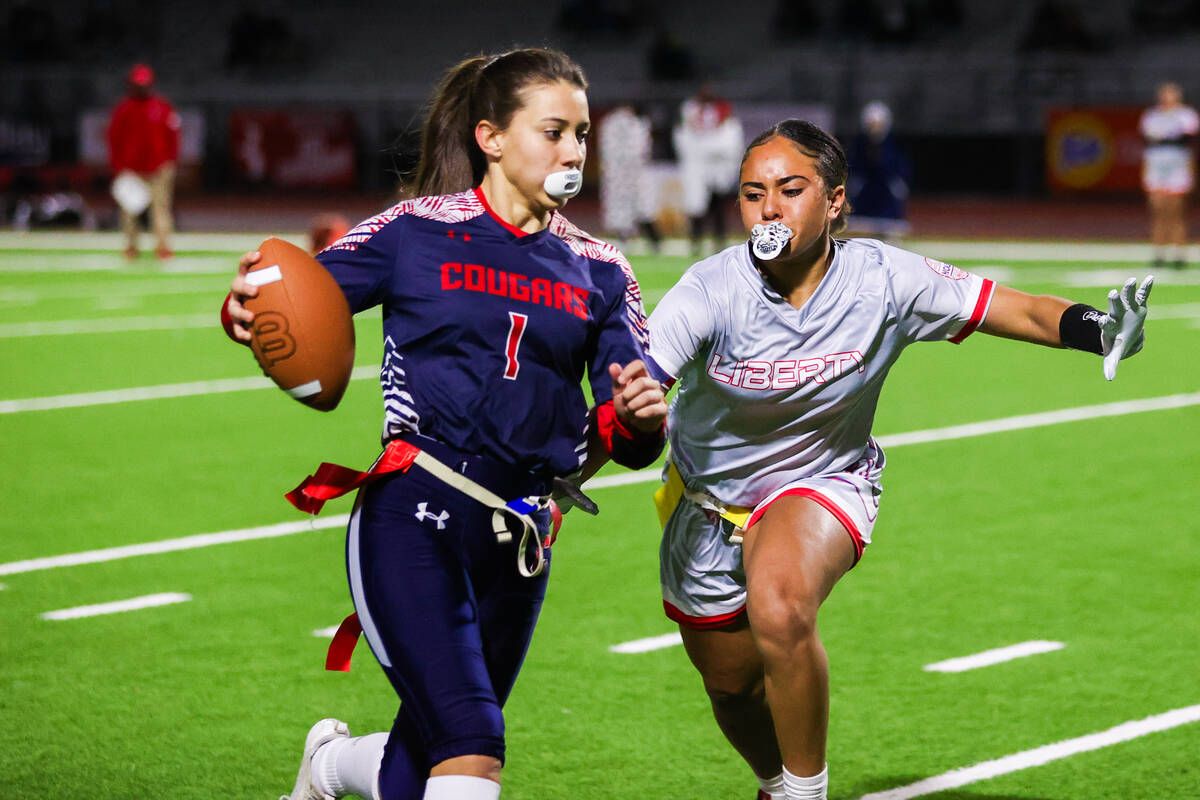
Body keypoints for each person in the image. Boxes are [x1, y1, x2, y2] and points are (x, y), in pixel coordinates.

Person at [646, 119, 1152, 800]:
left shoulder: (888, 278)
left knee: (781, 601)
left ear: (835, 201)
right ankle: (775, 783)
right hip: (704, 507)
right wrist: (557, 477)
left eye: (790, 189)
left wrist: (1098, 329)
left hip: (823, 480)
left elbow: (1021, 308)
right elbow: (637, 389)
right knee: (732, 687)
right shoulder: (709, 289)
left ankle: (805, 793)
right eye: (751, 192)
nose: (768, 208)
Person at [222, 48, 668, 800]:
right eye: (553, 130)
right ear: (491, 137)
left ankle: (328, 769)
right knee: (471, 749)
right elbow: (297, 301)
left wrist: (638, 416)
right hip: (413, 514)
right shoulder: (414, 231)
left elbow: (633, 430)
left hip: (521, 543)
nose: (573, 151)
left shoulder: (603, 269)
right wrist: (247, 308)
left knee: (413, 773)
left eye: (582, 134)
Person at [107, 62, 180, 260]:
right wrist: (119, 167)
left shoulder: (162, 107)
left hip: (158, 167)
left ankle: (163, 246)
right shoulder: (123, 109)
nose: (141, 87)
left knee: (161, 209)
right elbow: (114, 138)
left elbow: (173, 135)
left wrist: (170, 162)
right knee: (129, 211)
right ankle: (131, 246)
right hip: (132, 170)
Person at [673, 83, 744, 254]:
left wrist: (714, 149)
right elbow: (683, 134)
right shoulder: (690, 109)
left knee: (717, 205)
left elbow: (730, 136)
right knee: (695, 205)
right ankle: (696, 240)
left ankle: (719, 240)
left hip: (716, 164)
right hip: (697, 163)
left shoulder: (722, 110)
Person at [1140, 81, 1198, 269]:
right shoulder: (1151, 116)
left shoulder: (1186, 115)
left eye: (1172, 93)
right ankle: (1158, 253)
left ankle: (1179, 253)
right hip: (1156, 164)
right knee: (1158, 210)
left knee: (1176, 212)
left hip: (1177, 165)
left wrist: (1191, 173)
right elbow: (1149, 143)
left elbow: (1188, 141)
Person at [599, 104, 661, 251]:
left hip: (634, 173)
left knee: (643, 208)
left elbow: (642, 149)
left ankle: (654, 240)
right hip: (620, 174)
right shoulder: (615, 124)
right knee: (623, 209)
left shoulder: (637, 124)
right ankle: (628, 239)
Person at [845, 101, 911, 241]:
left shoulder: (894, 150)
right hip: (862, 212)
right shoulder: (857, 150)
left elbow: (899, 182)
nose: (875, 129)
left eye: (878, 125)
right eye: (872, 124)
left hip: (889, 214)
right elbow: (853, 180)